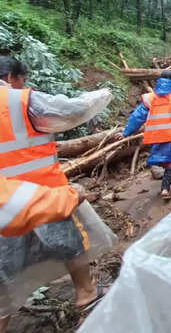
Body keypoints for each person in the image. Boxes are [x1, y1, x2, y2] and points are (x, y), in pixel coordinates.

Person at [0, 56, 112, 332]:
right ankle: (86, 293)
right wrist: (102, 94)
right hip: (41, 191)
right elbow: (71, 111)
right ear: (12, 77)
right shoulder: (18, 100)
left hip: (4, 204)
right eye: (22, 80)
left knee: (4, 264)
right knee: (70, 241)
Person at [117, 70, 171, 200]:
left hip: (158, 135)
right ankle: (165, 188)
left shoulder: (150, 98)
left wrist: (126, 132)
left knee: (170, 157)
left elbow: (137, 117)